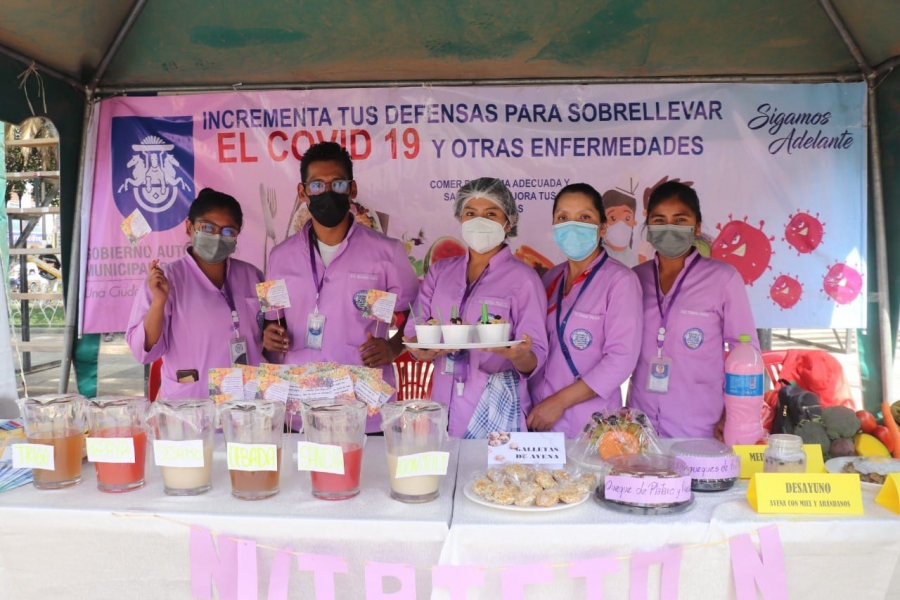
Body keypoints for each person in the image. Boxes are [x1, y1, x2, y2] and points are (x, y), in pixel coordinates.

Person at [262, 142, 419, 432]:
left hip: (365, 409)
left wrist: (394, 346)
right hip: (299, 409)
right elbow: (272, 321)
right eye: (318, 185)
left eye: (338, 184)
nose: (328, 192)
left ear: (352, 189)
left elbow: (417, 314)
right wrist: (269, 336)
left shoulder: (388, 253)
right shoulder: (279, 257)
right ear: (302, 192)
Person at [403, 178, 548, 438]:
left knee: (489, 478)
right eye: (471, 213)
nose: (479, 221)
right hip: (440, 403)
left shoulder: (524, 279)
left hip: (494, 405)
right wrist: (420, 350)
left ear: (509, 220)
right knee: (445, 475)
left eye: (490, 214)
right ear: (460, 218)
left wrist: (517, 355)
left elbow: (535, 353)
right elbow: (416, 328)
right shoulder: (440, 271)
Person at [628, 181, 759, 439]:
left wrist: (732, 414)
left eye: (680, 220)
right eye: (659, 220)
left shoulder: (723, 279)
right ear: (649, 228)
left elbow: (745, 350)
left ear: (696, 226)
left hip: (702, 424)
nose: (669, 228)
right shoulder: (634, 279)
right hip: (640, 423)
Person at [527, 184, 643, 437]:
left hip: (589, 421)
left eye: (584, 217)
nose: (572, 225)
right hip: (537, 416)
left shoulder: (621, 281)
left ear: (602, 228)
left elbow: (621, 360)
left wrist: (558, 403)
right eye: (563, 218)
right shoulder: (551, 278)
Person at [126, 188, 265, 399]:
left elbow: (272, 330)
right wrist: (159, 302)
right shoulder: (165, 280)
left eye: (228, 231)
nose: (217, 237)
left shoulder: (253, 276)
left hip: (248, 402)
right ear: (190, 227)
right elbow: (142, 352)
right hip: (191, 404)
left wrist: (273, 336)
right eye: (208, 228)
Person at [601, 188, 639, 267]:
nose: (620, 225)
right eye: (613, 218)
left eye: (627, 218)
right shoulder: (596, 257)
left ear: (633, 222)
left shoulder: (633, 259)